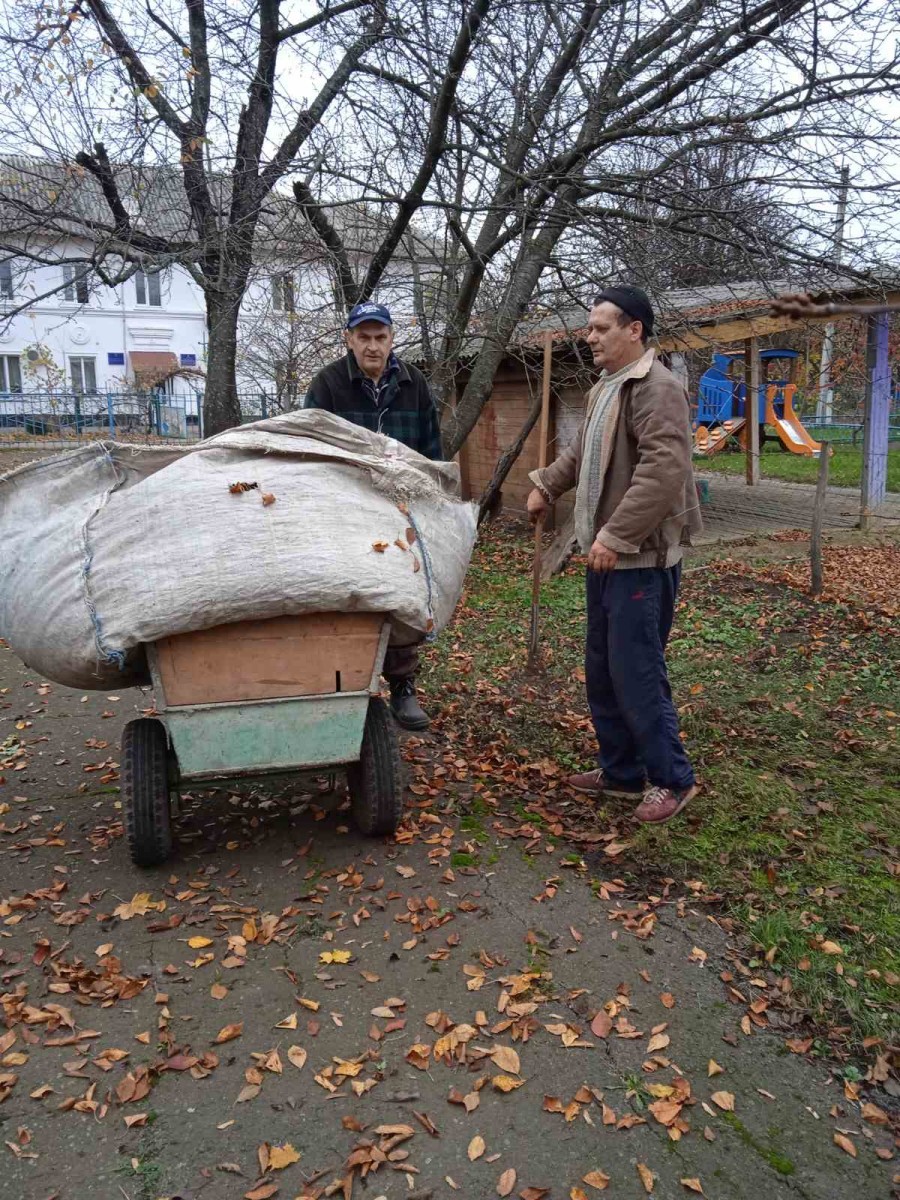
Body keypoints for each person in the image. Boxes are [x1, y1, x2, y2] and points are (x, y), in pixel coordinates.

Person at [525, 285, 702, 824]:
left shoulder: (658, 389)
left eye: (601, 327)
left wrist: (616, 535)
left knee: (637, 670)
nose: (591, 336)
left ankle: (672, 779)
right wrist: (548, 485)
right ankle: (621, 772)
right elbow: (583, 452)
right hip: (606, 557)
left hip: (640, 559)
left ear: (634, 330)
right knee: (602, 669)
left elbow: (662, 472)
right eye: (589, 326)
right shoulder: (608, 386)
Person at [304, 301, 442, 731]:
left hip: (399, 509)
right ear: (348, 339)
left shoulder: (414, 383)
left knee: (402, 596)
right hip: (342, 509)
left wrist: (431, 501)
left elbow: (431, 451)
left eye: (380, 337)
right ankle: (340, 685)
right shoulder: (327, 385)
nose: (372, 346)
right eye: (363, 337)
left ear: (392, 339)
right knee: (344, 595)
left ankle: (402, 686)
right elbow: (309, 448)